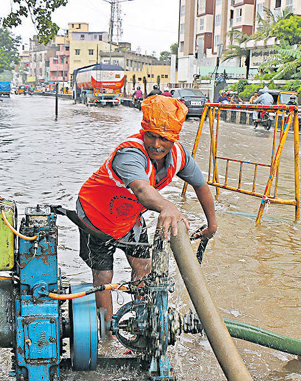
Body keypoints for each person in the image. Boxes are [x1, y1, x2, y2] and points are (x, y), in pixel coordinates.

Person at [76, 95, 218, 322]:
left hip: (129, 218)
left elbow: (201, 185)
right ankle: (107, 336)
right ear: (143, 132)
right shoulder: (130, 154)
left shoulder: (179, 156)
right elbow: (141, 190)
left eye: (164, 138)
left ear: (174, 139)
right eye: (151, 136)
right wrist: (168, 206)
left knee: (144, 265)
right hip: (96, 215)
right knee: (104, 277)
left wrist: (211, 224)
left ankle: (139, 323)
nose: (156, 144)